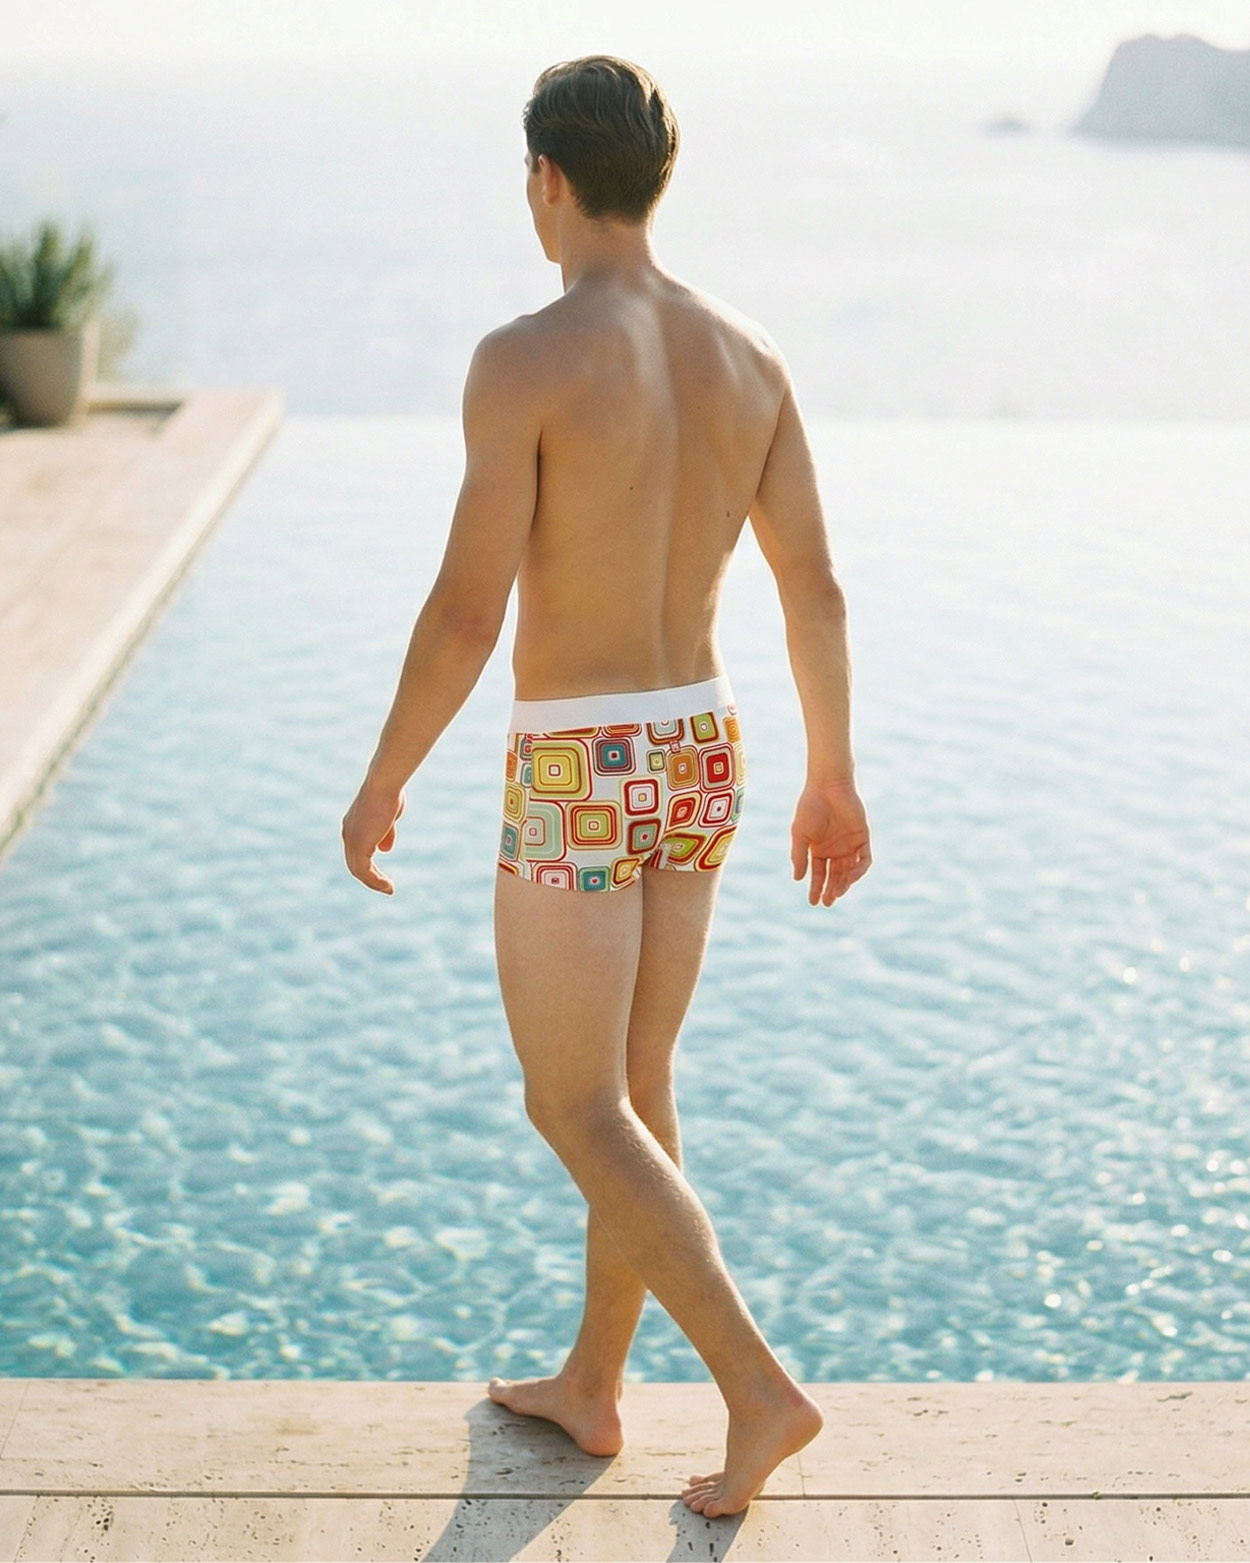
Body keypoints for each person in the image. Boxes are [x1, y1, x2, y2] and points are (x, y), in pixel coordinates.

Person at [342, 54, 871, 1520]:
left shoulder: (525, 358)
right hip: (703, 744)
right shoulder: (748, 353)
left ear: (549, 179)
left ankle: (758, 1390)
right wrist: (832, 773)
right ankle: (592, 1384)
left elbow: (468, 610)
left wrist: (384, 776)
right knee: (635, 1091)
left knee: (571, 1103)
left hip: (580, 759)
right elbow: (815, 587)